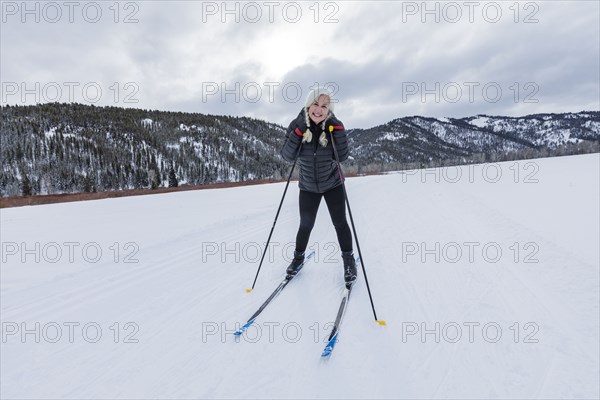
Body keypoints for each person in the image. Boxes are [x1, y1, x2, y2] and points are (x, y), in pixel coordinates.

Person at [280, 87, 357, 285]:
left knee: (340, 223)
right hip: (307, 186)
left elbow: (342, 156)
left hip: (332, 183)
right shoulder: (297, 125)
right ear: (308, 105)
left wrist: (338, 130)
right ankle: (298, 259)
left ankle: (349, 262)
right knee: (305, 225)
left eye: (324, 106)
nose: (319, 109)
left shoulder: (332, 126)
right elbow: (287, 156)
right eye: (316, 104)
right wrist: (298, 131)